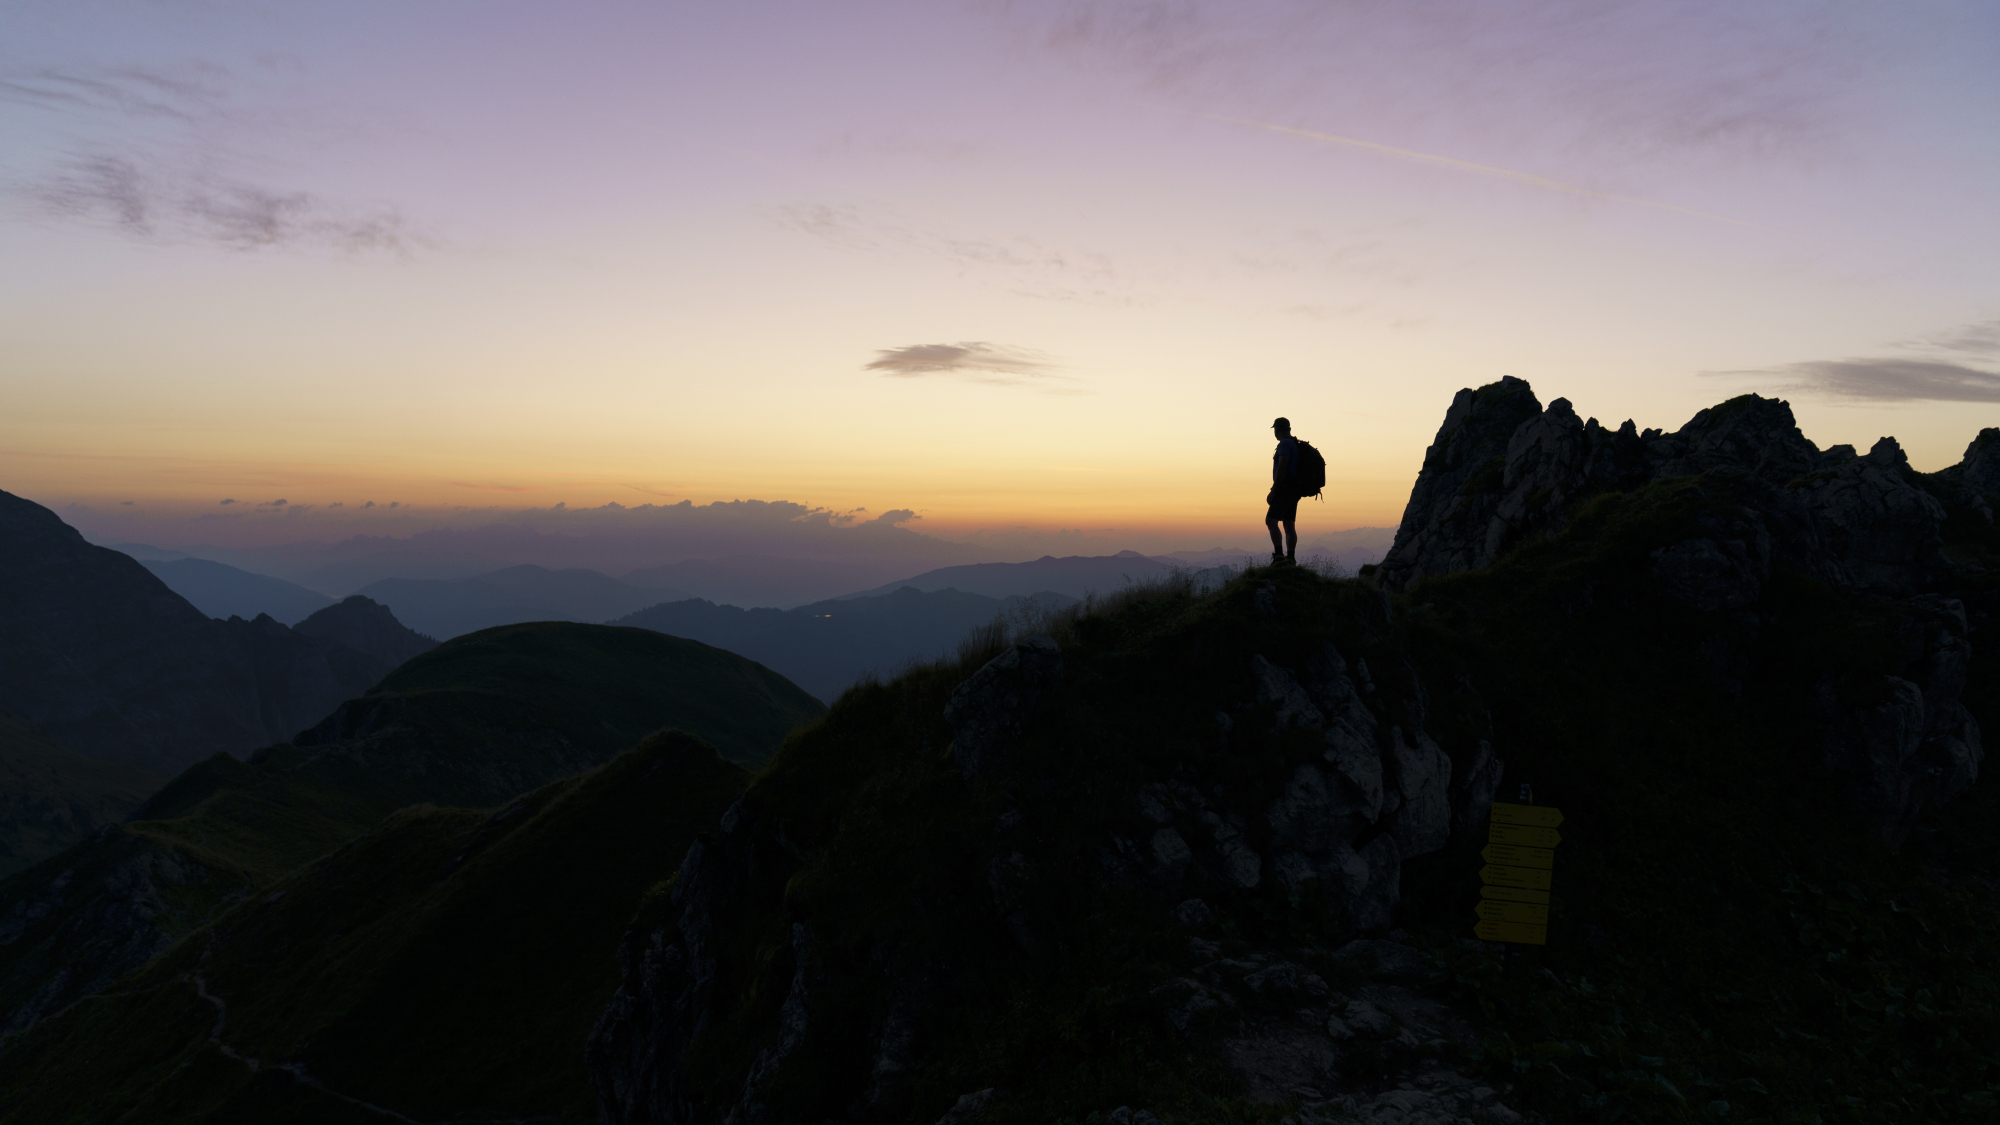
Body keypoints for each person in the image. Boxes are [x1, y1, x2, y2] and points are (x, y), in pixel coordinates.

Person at [1266, 416, 1301, 566]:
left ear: (1278, 430)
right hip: (1294, 490)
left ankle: (1279, 556)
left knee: (1271, 520)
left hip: (1284, 488)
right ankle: (1291, 558)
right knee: (1288, 524)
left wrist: (1274, 490)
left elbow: (1282, 467)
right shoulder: (1294, 444)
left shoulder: (1284, 444)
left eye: (1275, 429)